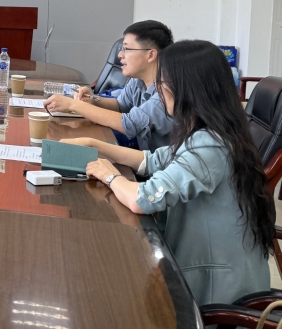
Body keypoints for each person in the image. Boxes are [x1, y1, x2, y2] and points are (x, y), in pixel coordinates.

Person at [63, 40, 274, 306]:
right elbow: (153, 160)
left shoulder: (210, 146)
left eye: (163, 82)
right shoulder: (213, 132)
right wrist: (96, 145)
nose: (159, 90)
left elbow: (143, 198)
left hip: (215, 290)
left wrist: (110, 175)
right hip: (203, 271)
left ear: (187, 89)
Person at [45, 20, 174, 151]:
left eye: (126, 49)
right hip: (143, 158)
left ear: (151, 55)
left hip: (163, 163)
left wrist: (73, 105)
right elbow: (120, 105)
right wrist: (93, 99)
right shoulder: (138, 81)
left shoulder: (167, 91)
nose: (120, 55)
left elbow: (129, 124)